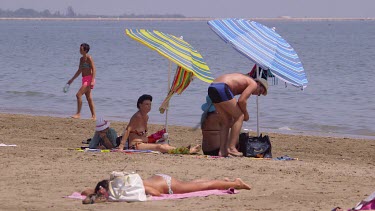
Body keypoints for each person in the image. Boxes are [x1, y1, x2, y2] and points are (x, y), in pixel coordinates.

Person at [207, 73, 268, 157]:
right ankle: (232, 148)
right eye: (260, 91)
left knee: (226, 121)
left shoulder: (244, 81)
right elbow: (242, 101)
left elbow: (237, 102)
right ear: (259, 84)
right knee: (239, 116)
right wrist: (245, 115)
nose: (257, 94)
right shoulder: (253, 84)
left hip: (212, 87)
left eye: (259, 94)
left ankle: (222, 151)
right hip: (222, 87)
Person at [81, 173, 251, 204]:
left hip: (167, 185)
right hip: (162, 178)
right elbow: (85, 191)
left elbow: (155, 193)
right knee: (193, 184)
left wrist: (145, 193)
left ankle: (236, 183)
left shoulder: (133, 187)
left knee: (202, 186)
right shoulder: (122, 183)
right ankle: (224, 181)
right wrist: (97, 193)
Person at [117, 94, 200, 154]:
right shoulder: (137, 116)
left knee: (164, 144)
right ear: (140, 105)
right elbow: (128, 130)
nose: (149, 106)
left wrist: (153, 138)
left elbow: (143, 134)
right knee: (159, 147)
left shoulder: (146, 117)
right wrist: (121, 146)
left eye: (150, 104)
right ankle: (187, 151)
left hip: (144, 143)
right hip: (136, 145)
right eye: (146, 104)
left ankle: (183, 150)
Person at [67, 43, 96, 120]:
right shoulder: (81, 59)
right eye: (79, 49)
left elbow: (94, 69)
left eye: (81, 49)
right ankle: (94, 116)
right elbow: (79, 70)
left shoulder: (89, 58)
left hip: (89, 79)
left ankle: (78, 114)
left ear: (85, 50)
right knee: (89, 98)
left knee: (78, 95)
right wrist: (72, 79)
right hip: (84, 79)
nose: (79, 50)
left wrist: (92, 80)